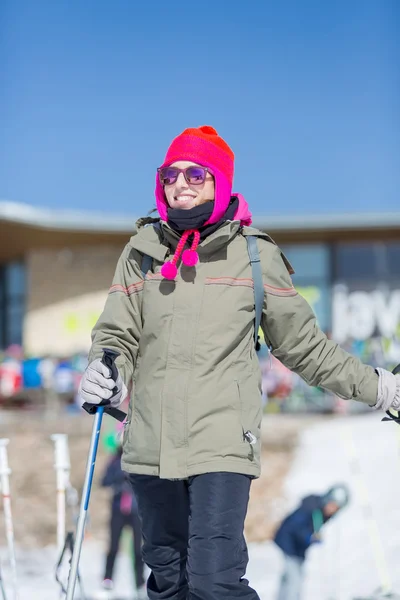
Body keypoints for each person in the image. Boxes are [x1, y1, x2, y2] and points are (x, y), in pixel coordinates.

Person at [78, 125, 400, 600]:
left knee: (214, 581)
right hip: (149, 443)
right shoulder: (141, 253)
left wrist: (383, 388)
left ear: (219, 182)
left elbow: (304, 347)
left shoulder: (253, 255)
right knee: (169, 583)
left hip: (222, 443)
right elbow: (116, 334)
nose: (180, 183)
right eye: (170, 174)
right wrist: (105, 370)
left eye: (195, 173)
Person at [274, 484, 350, 600]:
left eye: (336, 508)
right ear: (327, 499)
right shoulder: (311, 507)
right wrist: (309, 537)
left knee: (289, 577)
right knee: (295, 578)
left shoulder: (323, 513)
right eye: (332, 505)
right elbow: (294, 527)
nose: (332, 509)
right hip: (288, 543)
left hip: (299, 548)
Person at [100, 445, 147, 599]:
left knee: (138, 550)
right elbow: (104, 482)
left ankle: (139, 583)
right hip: (118, 510)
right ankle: (107, 580)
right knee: (113, 547)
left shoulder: (140, 460)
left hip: (136, 511)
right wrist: (120, 476)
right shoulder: (114, 461)